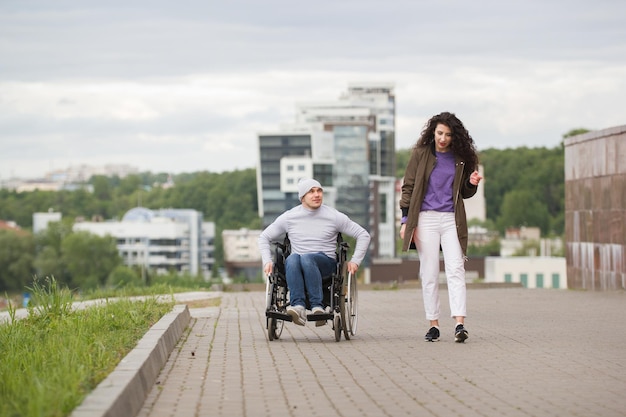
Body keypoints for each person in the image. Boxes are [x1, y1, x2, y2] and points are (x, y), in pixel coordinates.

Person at [399, 112, 483, 343]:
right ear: (432, 132)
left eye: (447, 134)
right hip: (425, 219)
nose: (443, 138)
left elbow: (464, 192)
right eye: (439, 133)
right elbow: (408, 186)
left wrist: (471, 184)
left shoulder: (461, 158)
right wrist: (405, 221)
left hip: (451, 219)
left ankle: (459, 323)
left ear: (455, 136)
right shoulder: (420, 154)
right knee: (430, 272)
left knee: (456, 269)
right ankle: (433, 324)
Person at [258, 178, 371, 326]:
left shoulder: (334, 216)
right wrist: (267, 261)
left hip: (326, 264)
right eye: (311, 192)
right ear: (302, 197)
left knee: (306, 258)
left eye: (319, 191)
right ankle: (298, 306)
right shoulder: (290, 217)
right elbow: (264, 237)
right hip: (297, 266)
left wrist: (355, 261)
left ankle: (318, 307)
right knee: (292, 259)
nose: (316, 195)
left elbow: (363, 235)